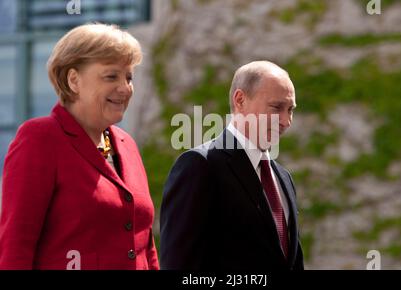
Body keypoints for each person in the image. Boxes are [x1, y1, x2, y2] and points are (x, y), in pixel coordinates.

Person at [0, 23, 159, 270]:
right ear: (74, 80)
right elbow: (15, 247)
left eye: (129, 77)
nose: (125, 88)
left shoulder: (127, 145)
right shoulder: (39, 139)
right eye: (111, 76)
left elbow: (145, 246)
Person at [160, 60, 304, 270]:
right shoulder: (200, 166)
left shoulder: (283, 178)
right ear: (240, 100)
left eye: (290, 109)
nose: (286, 120)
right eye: (276, 107)